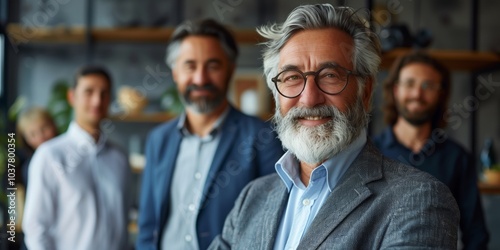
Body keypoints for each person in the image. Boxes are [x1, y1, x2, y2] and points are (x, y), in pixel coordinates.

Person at [208, 4, 459, 249]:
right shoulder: (251, 198)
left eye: (330, 76)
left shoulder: (419, 199)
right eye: (292, 77)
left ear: (366, 91)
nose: (309, 99)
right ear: (276, 93)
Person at [135, 19, 284, 250]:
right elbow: (148, 225)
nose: (200, 78)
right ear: (175, 72)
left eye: (213, 66)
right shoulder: (158, 140)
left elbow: (271, 223)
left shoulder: (263, 137)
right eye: (190, 66)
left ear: (231, 69)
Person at [373, 51, 489, 249]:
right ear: (396, 90)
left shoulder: (456, 158)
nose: (417, 94)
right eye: (409, 83)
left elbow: (475, 234)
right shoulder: (368, 153)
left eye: (428, 86)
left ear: (440, 93)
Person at [22, 66, 132, 250]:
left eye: (104, 93)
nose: (97, 101)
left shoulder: (120, 158)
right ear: (72, 97)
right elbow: (36, 228)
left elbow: (124, 222)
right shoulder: (49, 155)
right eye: (89, 92)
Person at [17, 107, 58, 188]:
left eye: (44, 128)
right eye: (33, 134)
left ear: (53, 125)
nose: (41, 137)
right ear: (26, 140)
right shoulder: (29, 167)